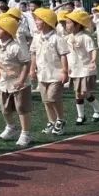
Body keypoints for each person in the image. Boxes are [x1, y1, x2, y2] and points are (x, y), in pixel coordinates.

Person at [0, 15, 32, 148]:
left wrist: (21, 79)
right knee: (4, 108)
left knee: (21, 108)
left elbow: (26, 63)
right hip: (4, 83)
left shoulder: (16, 47)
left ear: (8, 31)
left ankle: (26, 133)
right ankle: (11, 127)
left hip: (19, 83)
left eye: (0, 28)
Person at [30, 8, 70, 136]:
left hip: (55, 74)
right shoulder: (36, 37)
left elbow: (63, 55)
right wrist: (32, 69)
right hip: (42, 74)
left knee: (53, 98)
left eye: (38, 20)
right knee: (46, 100)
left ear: (47, 22)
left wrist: (64, 71)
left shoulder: (57, 39)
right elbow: (34, 54)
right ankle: (51, 121)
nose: (36, 22)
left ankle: (60, 119)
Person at [64, 11, 99, 125]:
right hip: (74, 69)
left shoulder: (86, 37)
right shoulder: (68, 37)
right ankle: (82, 115)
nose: (67, 25)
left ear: (78, 24)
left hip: (84, 68)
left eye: (69, 23)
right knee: (78, 93)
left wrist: (93, 60)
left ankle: (97, 110)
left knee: (83, 92)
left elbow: (93, 50)